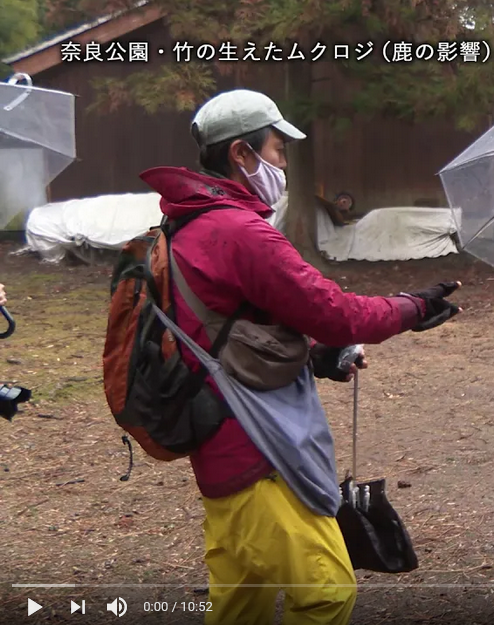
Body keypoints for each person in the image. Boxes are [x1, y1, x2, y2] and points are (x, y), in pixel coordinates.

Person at [141, 89, 460, 625]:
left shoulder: (184, 226)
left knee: (240, 603)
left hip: (218, 450)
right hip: (258, 453)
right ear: (242, 155)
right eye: (278, 150)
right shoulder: (238, 231)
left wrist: (316, 357)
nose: (284, 163)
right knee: (328, 593)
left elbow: (223, 327)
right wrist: (409, 307)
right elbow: (333, 311)